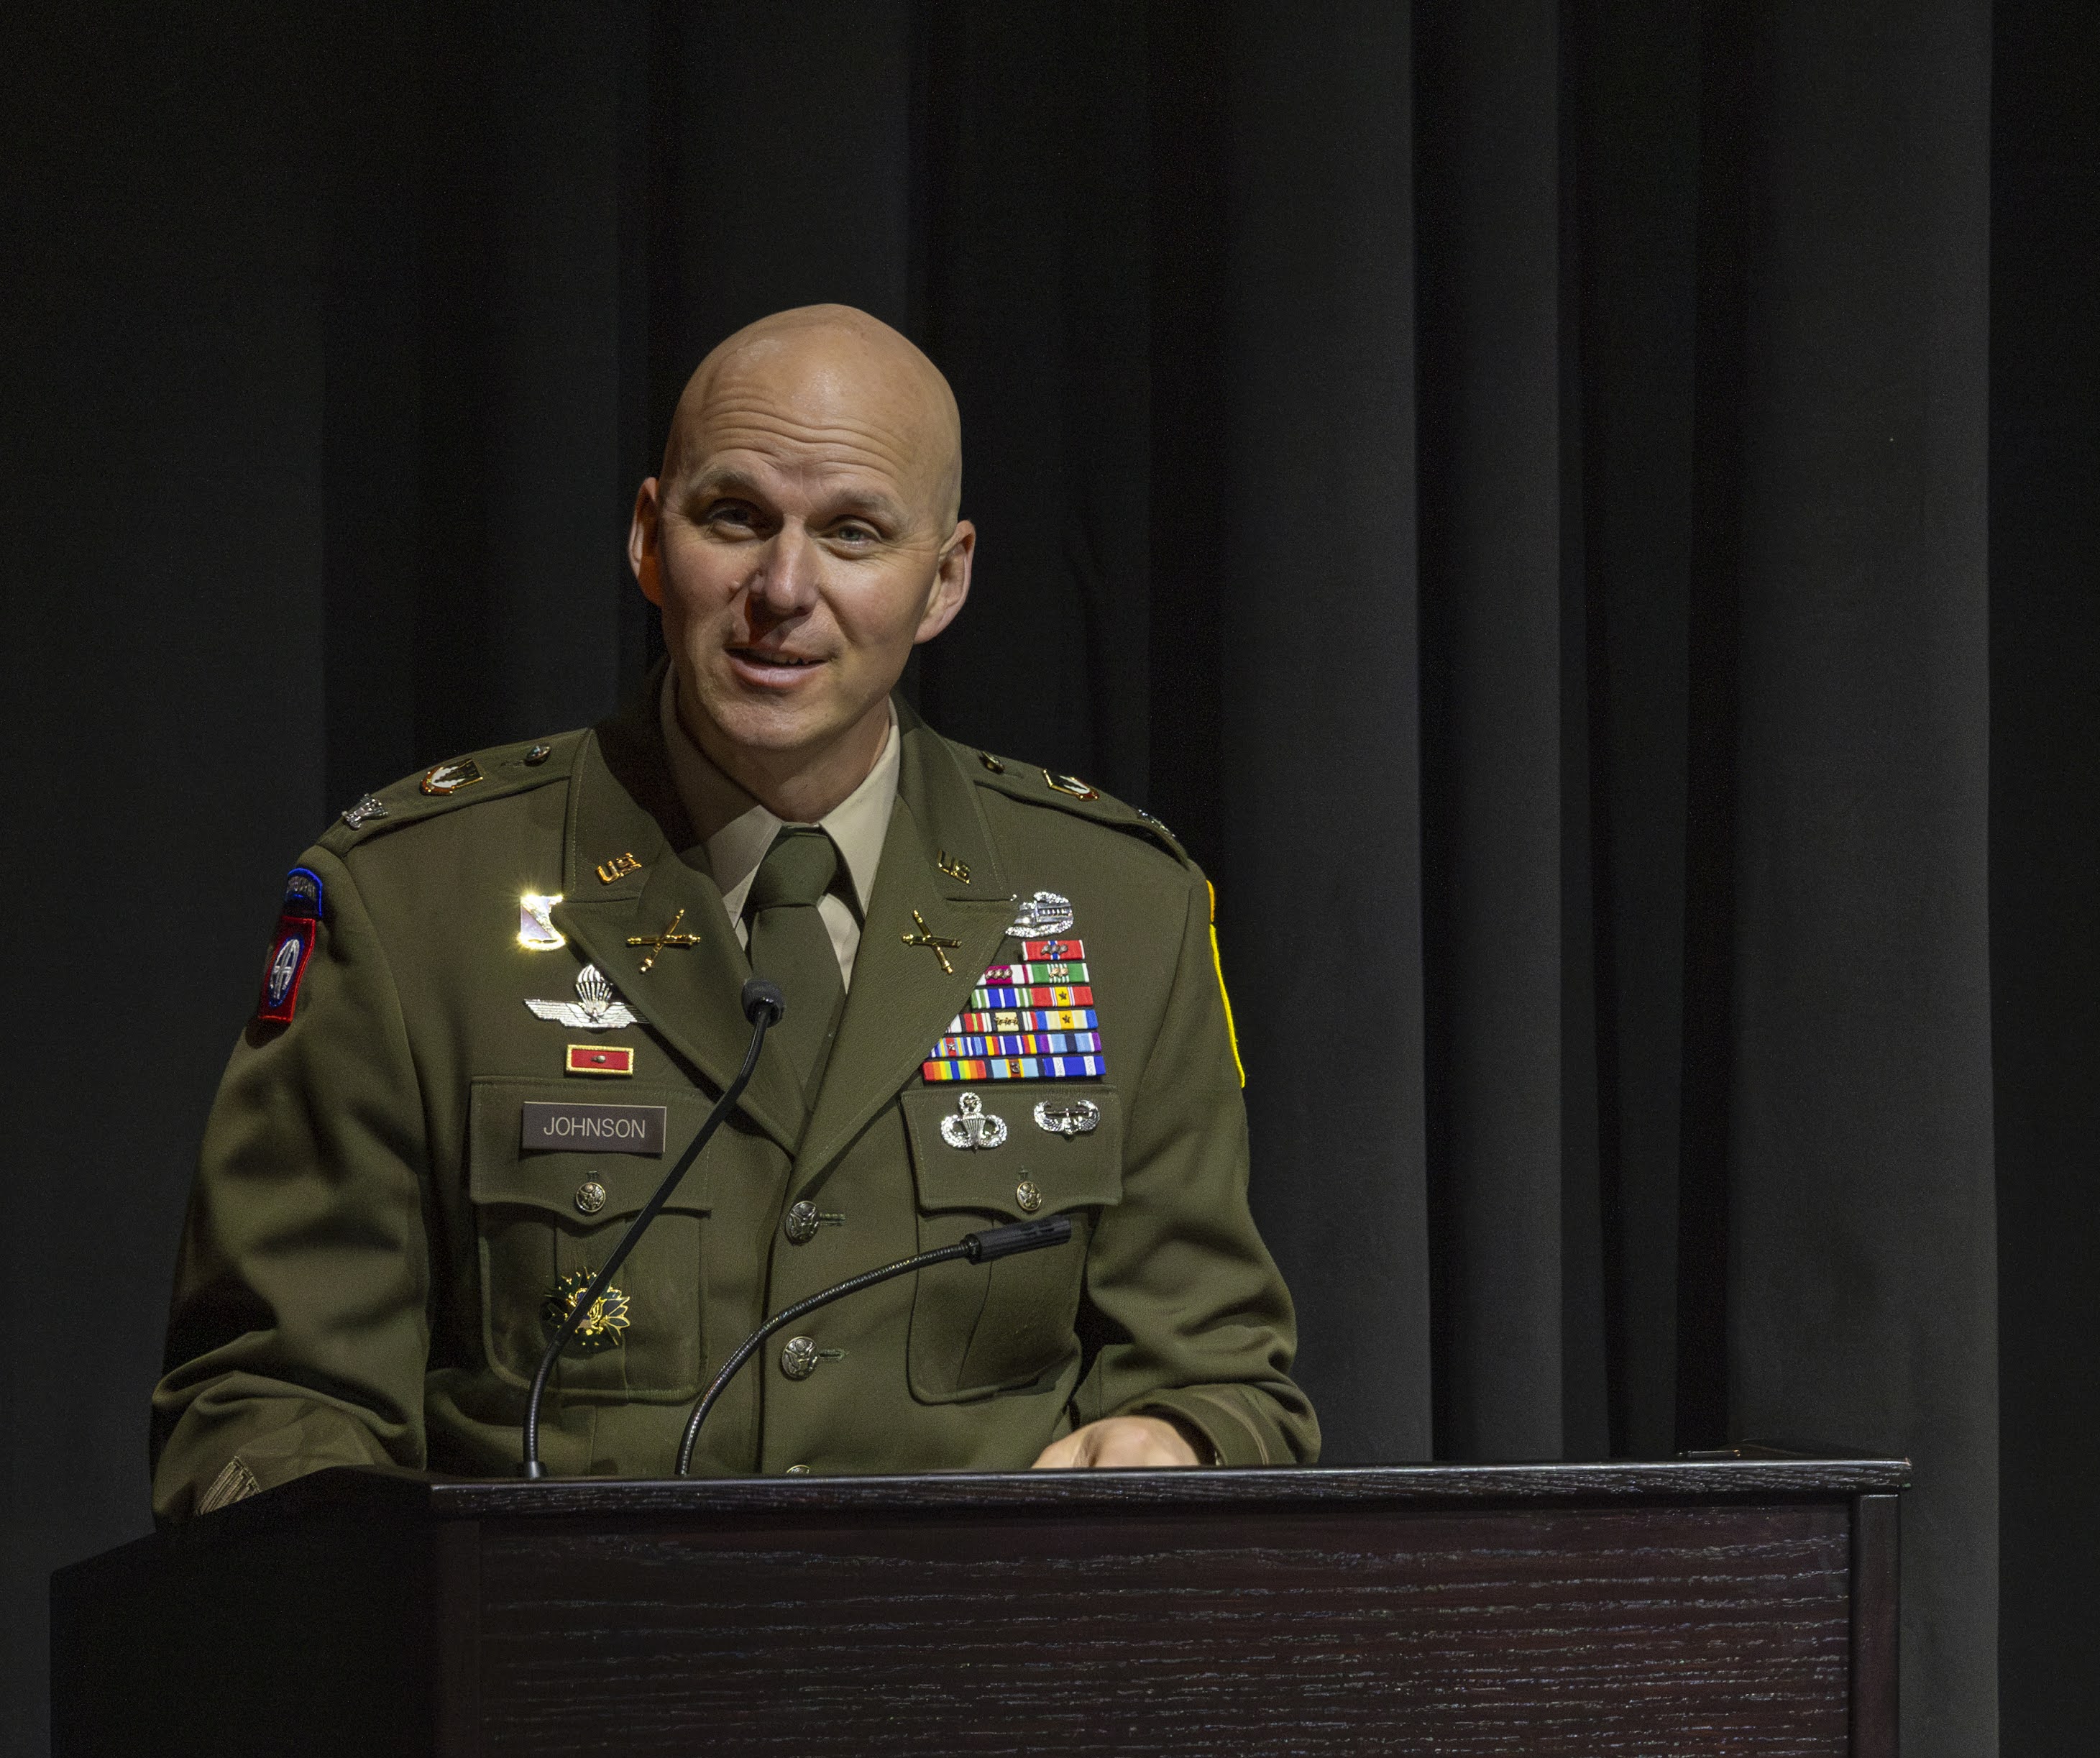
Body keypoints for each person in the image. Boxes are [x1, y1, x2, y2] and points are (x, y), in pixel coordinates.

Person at [152, 304, 1313, 1515]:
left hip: (981, 1678)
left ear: (944, 579)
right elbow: (266, 1404)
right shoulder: (408, 905)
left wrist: (1181, 1438)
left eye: (854, 533)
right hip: (552, 1680)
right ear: (651, 538)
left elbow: (1224, 1373)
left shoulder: (1124, 908)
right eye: (735, 519)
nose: (784, 589)